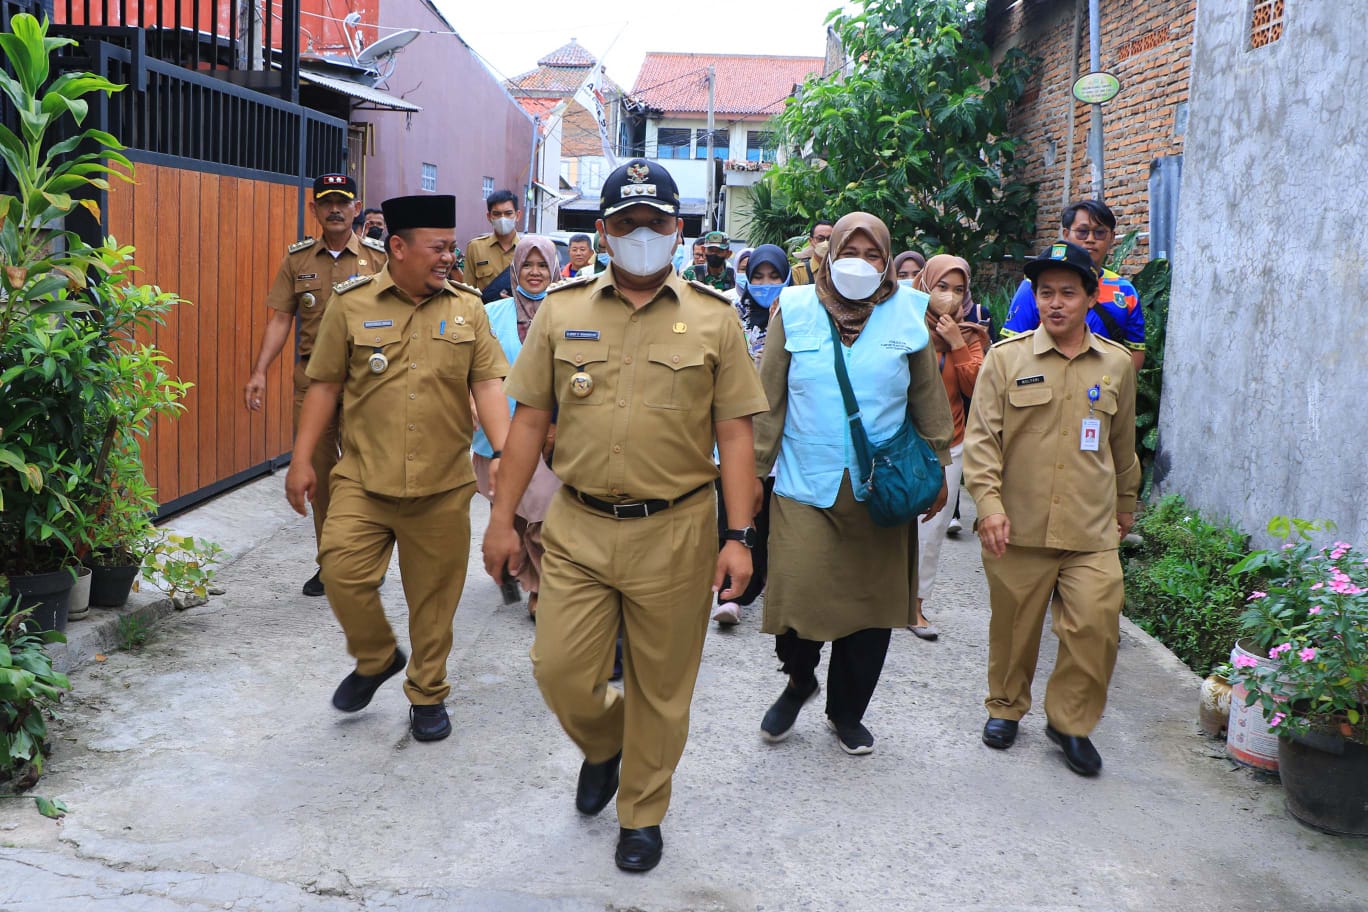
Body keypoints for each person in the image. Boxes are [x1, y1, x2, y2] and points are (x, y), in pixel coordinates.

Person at [482, 158, 767, 873]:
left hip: (676, 529)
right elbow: (527, 423)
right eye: (626, 222)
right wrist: (501, 518)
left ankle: (642, 813)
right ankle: (607, 742)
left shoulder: (715, 318)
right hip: (578, 524)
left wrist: (738, 537)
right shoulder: (563, 310)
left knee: (661, 688)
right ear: (603, 232)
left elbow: (736, 436)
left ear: (678, 229)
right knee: (559, 669)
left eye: (655, 221)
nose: (642, 233)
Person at [285, 194, 512, 743]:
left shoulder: (468, 308)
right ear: (399, 248)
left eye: (452, 248)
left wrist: (505, 455)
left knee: (433, 601)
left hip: (442, 485)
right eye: (438, 248)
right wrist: (301, 458)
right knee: (340, 570)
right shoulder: (351, 304)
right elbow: (325, 386)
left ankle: (427, 693)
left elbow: (487, 385)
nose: (448, 258)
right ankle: (376, 656)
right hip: (364, 477)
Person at [754, 212, 954, 756]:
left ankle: (846, 713)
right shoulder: (794, 308)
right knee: (796, 598)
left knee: (870, 610)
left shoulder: (908, 311)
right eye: (849, 252)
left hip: (882, 485)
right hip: (805, 483)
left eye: (872, 255)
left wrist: (938, 468)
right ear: (828, 254)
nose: (860, 264)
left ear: (887, 262)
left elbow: (928, 397)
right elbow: (769, 400)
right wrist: (752, 475)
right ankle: (799, 679)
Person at [963, 240, 1140, 777]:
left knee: (1096, 624)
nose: (1055, 303)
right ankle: (1005, 707)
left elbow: (1122, 444)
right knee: (1014, 627)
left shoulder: (1116, 364)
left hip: (1090, 526)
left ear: (1090, 297)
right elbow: (982, 442)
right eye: (1045, 293)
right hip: (1018, 525)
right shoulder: (1006, 359)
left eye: (1067, 292)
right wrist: (988, 505)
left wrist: (1126, 503)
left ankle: (1069, 722)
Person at [243, 173, 386, 597]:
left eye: (343, 202)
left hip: (365, 382)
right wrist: (259, 371)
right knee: (319, 474)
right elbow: (281, 320)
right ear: (315, 210)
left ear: (356, 208)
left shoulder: (378, 260)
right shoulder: (298, 260)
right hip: (312, 380)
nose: (335, 209)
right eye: (327, 203)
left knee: (363, 472)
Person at [472, 236, 562, 619]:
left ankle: (540, 587)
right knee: (512, 509)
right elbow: (470, 366)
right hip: (497, 433)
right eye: (528, 264)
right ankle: (514, 568)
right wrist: (471, 400)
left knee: (543, 511)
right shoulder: (491, 313)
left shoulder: (568, 311)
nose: (535, 272)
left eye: (542, 265)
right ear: (515, 269)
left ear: (554, 269)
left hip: (550, 431)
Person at [907, 255, 988, 641]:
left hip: (950, 444)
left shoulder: (972, 336)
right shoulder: (903, 323)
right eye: (942, 287)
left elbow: (978, 388)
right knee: (888, 520)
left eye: (958, 290)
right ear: (925, 285)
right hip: (901, 440)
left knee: (932, 528)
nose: (950, 297)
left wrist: (957, 343)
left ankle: (915, 605)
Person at [712, 243, 788, 626]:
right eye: (758, 276)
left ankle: (761, 582)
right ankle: (731, 596)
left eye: (774, 276)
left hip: (778, 436)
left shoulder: (796, 317)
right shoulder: (729, 313)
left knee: (768, 515)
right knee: (732, 509)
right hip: (731, 428)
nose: (766, 283)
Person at [1001, 200, 1145, 371]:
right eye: (1082, 232)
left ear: (1112, 237)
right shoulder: (1034, 285)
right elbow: (1012, 348)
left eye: (1099, 233)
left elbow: (1135, 349)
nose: (1090, 239)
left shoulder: (1124, 290)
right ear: (1066, 234)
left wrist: (1117, 382)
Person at [464, 189, 521, 291]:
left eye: (508, 213)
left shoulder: (527, 249)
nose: (503, 218)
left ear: (518, 215)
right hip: (484, 302)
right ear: (489, 217)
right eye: (497, 214)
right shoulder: (475, 248)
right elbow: (468, 290)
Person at [789, 219, 834, 285]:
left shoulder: (841, 269)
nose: (825, 243)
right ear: (811, 241)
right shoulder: (797, 272)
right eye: (820, 239)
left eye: (829, 239)